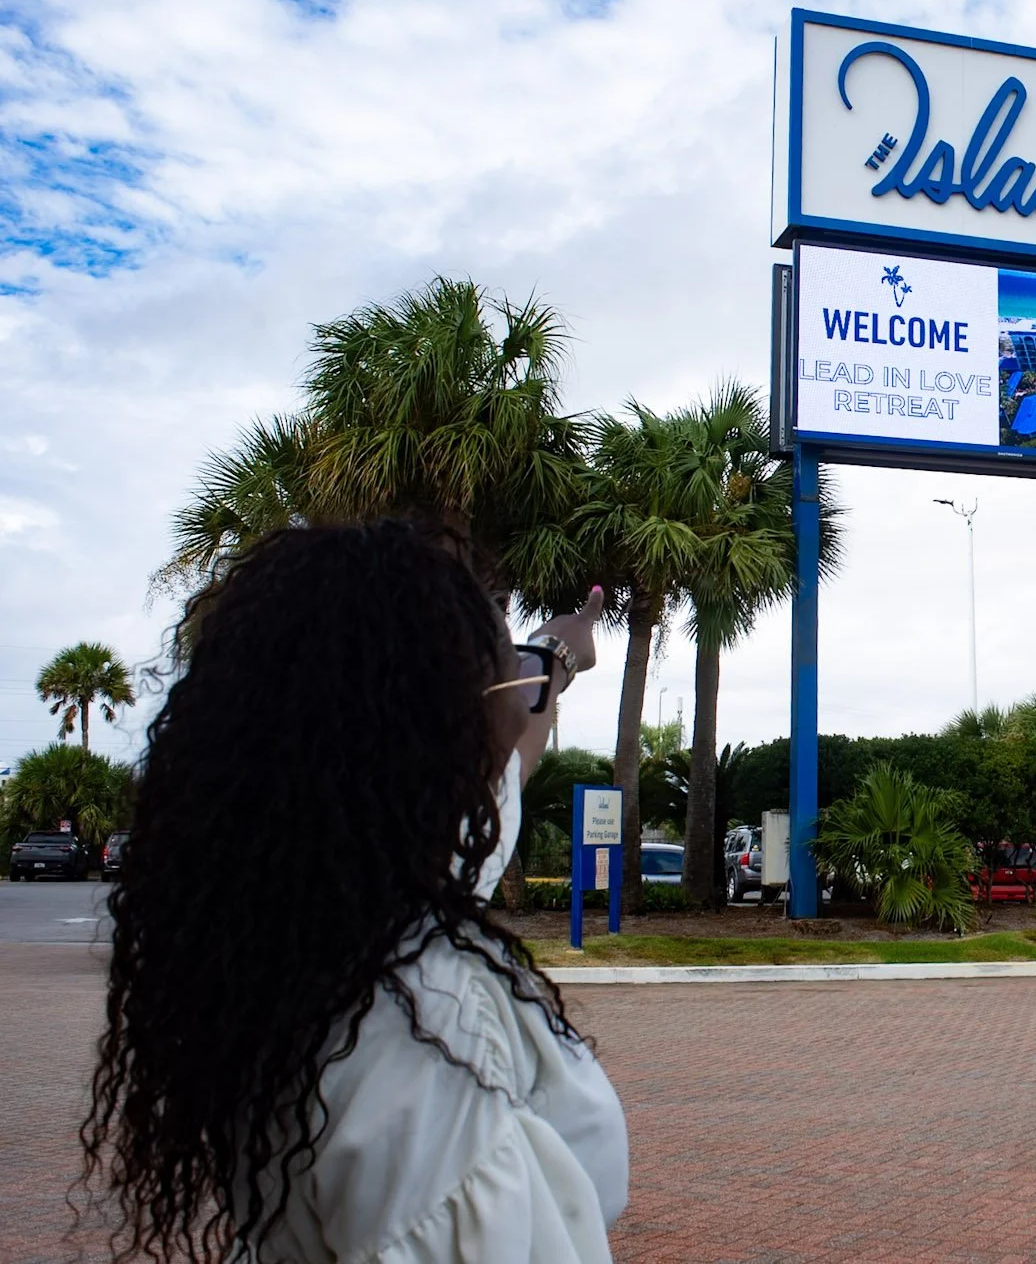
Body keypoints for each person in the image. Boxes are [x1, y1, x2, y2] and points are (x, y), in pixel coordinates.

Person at [81, 521, 628, 1263]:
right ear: (439, 731)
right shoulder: (421, 1027)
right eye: (506, 676)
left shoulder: (318, 923)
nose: (518, 716)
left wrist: (557, 654)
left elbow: (507, 772)